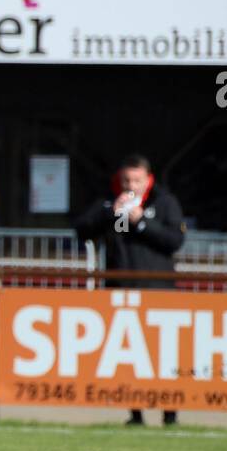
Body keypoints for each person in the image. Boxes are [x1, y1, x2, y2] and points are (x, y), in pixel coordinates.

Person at [74, 153, 185, 426]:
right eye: (126, 179)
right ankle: (135, 413)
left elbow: (174, 240)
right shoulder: (110, 203)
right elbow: (81, 229)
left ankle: (169, 414)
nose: (130, 185)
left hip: (159, 291)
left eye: (136, 180)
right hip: (122, 291)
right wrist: (110, 214)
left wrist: (141, 221)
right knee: (130, 357)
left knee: (163, 356)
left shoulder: (165, 203)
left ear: (148, 180)